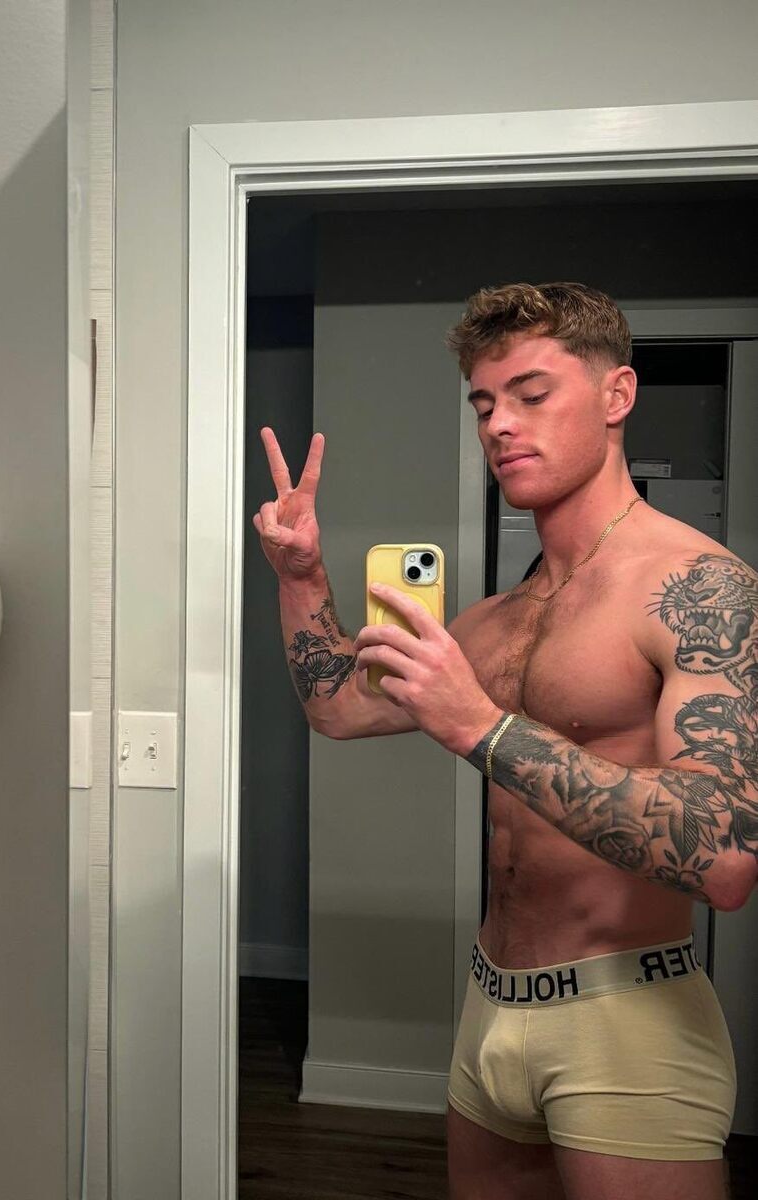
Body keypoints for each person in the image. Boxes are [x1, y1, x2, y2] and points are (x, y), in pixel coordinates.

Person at [252, 282, 757, 1200]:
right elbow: (337, 707)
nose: (498, 425)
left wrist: (480, 727)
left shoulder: (698, 589)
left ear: (616, 394)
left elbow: (722, 855)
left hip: (625, 1014)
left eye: (530, 394)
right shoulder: (495, 618)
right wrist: (300, 577)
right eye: (483, 403)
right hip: (491, 1006)